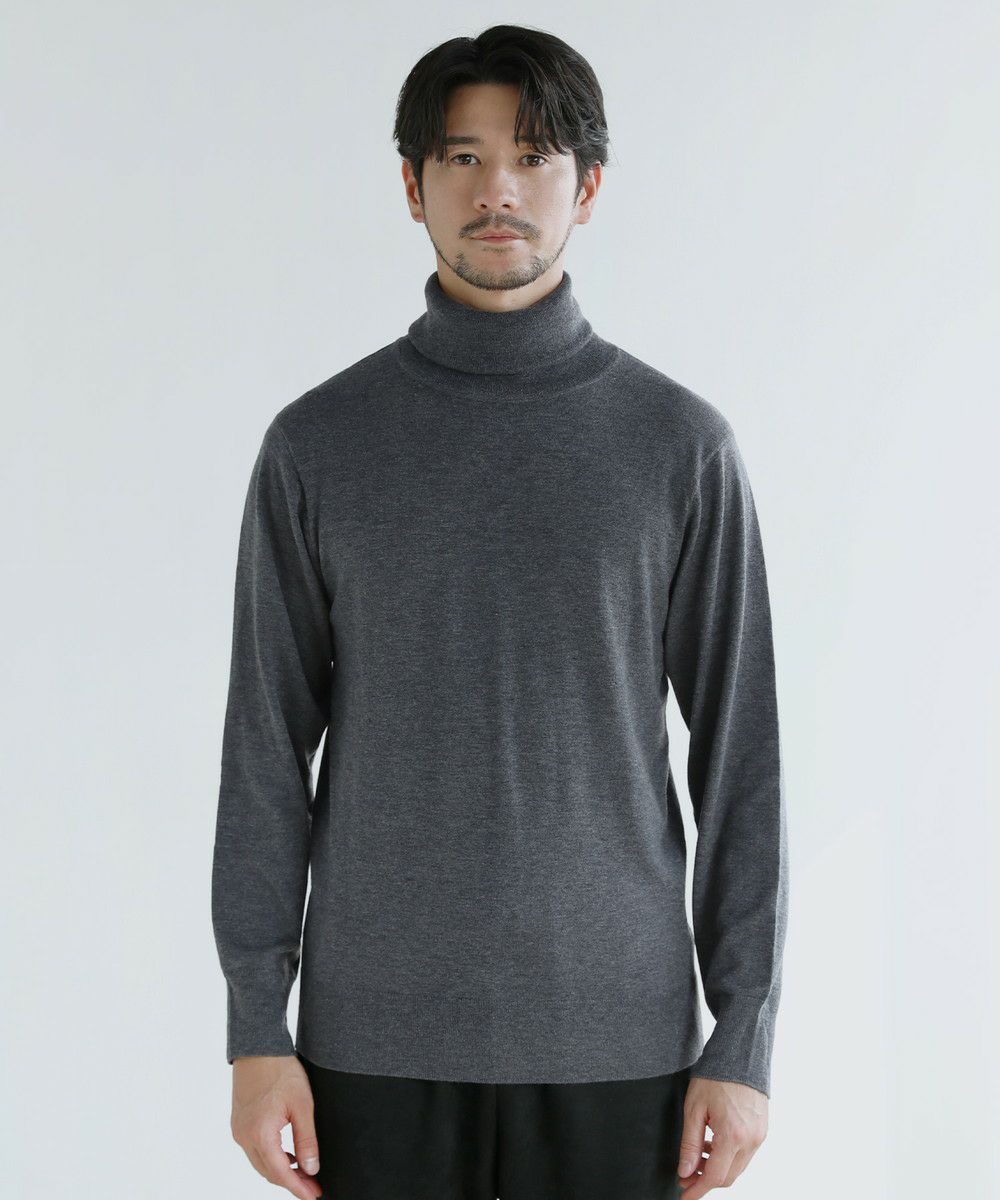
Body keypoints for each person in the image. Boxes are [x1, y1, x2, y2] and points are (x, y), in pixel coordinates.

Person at [211, 24, 789, 1200]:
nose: (497, 192)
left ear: (589, 186)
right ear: (411, 185)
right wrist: (255, 1029)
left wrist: (742, 1038)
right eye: (463, 159)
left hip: (619, 1048)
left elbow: (743, 762)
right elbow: (265, 752)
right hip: (368, 1050)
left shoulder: (679, 449)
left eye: (532, 157)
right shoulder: (318, 446)